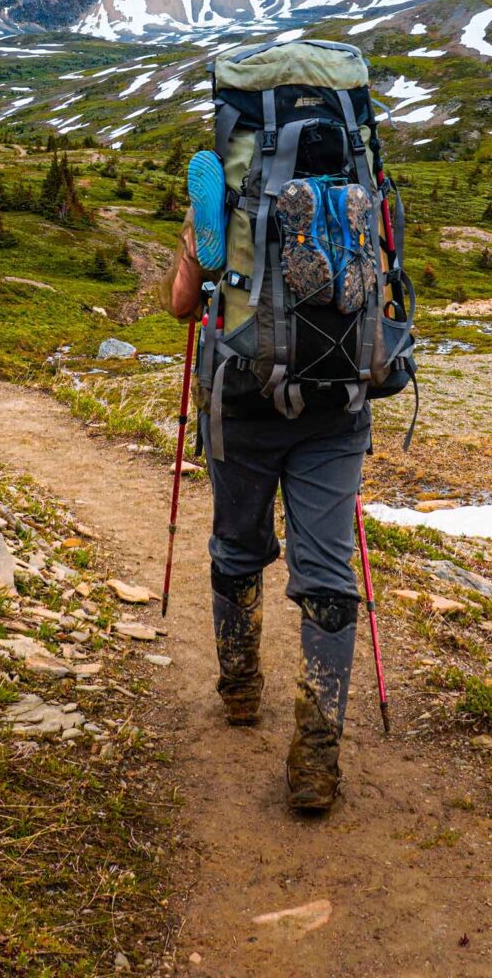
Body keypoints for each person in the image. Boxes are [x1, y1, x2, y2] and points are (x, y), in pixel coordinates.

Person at [166, 218, 368, 814]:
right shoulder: (361, 165)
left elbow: (183, 302)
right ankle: (315, 759)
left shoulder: (228, 176)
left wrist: (197, 247)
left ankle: (240, 690)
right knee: (330, 572)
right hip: (339, 398)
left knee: (237, 544)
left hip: (240, 395)